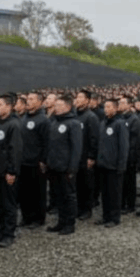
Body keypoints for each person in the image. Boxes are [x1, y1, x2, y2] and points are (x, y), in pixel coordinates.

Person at [0, 94, 22, 248]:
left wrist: (12, 171)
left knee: (9, 204)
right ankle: (1, 231)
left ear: (9, 107)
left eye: (0, 104)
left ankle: (9, 234)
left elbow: (14, 150)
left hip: (7, 172)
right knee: (0, 204)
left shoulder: (13, 125)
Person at [45, 94, 83, 235]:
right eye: (56, 106)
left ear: (68, 107)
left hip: (66, 168)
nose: (56, 108)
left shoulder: (73, 123)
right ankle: (61, 222)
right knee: (59, 196)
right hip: (54, 166)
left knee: (69, 196)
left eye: (59, 106)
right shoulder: (54, 122)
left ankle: (70, 223)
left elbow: (76, 148)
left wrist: (72, 167)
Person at [95, 98, 128, 227]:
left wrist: (121, 165)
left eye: (109, 107)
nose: (106, 110)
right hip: (103, 164)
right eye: (105, 107)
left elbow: (123, 146)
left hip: (114, 166)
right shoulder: (103, 123)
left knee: (114, 193)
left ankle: (114, 218)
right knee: (105, 193)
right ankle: (106, 216)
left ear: (115, 108)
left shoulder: (120, 123)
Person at [19, 91, 49, 229]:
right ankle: (27, 217)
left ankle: (38, 218)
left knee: (38, 192)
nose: (28, 101)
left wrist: (43, 160)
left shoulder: (43, 119)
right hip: (23, 161)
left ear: (39, 101)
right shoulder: (23, 118)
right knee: (24, 192)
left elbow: (46, 142)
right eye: (27, 99)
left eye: (31, 99)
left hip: (36, 163)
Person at [75, 89, 100, 220]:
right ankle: (79, 208)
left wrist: (91, 156)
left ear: (87, 100)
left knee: (87, 184)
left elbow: (94, 138)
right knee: (77, 184)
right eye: (77, 97)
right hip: (76, 157)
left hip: (86, 157)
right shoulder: (74, 115)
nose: (77, 99)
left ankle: (87, 209)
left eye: (80, 97)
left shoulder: (91, 117)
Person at [118, 96, 140, 214]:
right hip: (121, 155)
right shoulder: (120, 118)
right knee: (122, 182)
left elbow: (133, 141)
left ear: (130, 105)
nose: (120, 105)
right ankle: (121, 203)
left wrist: (130, 156)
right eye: (119, 103)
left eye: (122, 103)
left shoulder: (134, 119)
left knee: (130, 182)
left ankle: (130, 205)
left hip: (129, 156)